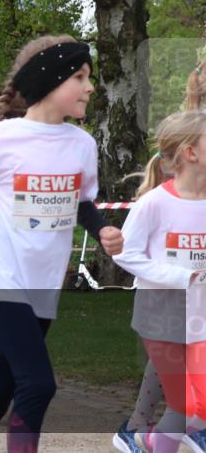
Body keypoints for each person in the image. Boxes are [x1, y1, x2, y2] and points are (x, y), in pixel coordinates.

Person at [0, 35, 124, 453]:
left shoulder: (82, 144)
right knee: (38, 384)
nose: (90, 87)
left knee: (2, 382)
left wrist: (101, 229)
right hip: (0, 277)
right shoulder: (2, 138)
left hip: (44, 283)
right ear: (50, 82)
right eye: (80, 77)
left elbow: (81, 201)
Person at [113, 110, 206, 453]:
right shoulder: (154, 203)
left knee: (198, 405)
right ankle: (148, 440)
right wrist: (181, 276)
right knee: (184, 407)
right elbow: (126, 254)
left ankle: (146, 439)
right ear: (190, 153)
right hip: (160, 314)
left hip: (201, 315)